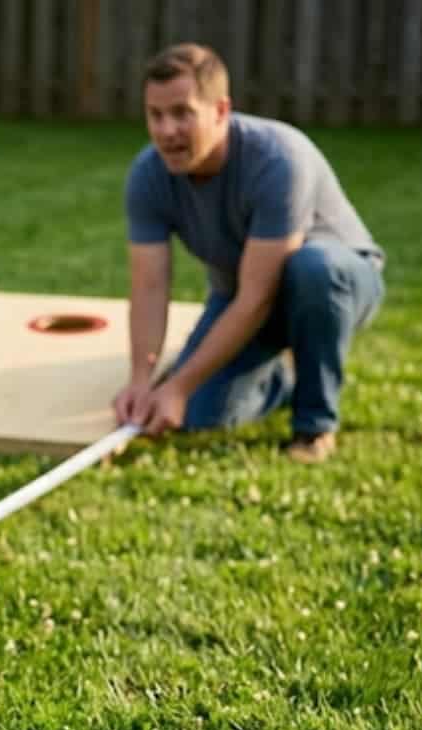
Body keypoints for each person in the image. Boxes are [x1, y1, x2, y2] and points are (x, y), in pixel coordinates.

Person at [112, 43, 385, 464]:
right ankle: (283, 377)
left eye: (183, 113)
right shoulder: (148, 175)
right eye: (155, 115)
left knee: (312, 268)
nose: (167, 131)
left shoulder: (278, 158)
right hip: (241, 294)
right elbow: (149, 288)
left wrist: (178, 385)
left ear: (221, 110)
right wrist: (142, 381)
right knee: (201, 414)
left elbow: (259, 297)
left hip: (335, 284)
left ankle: (314, 425)